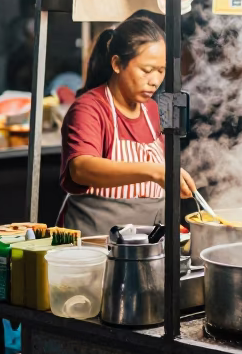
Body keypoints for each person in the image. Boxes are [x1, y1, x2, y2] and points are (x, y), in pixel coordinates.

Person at [58, 18, 196, 235]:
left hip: (148, 245)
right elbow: (80, 169)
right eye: (147, 69)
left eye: (161, 71)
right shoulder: (89, 108)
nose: (155, 81)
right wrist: (154, 172)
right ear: (116, 64)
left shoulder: (153, 111)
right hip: (96, 243)